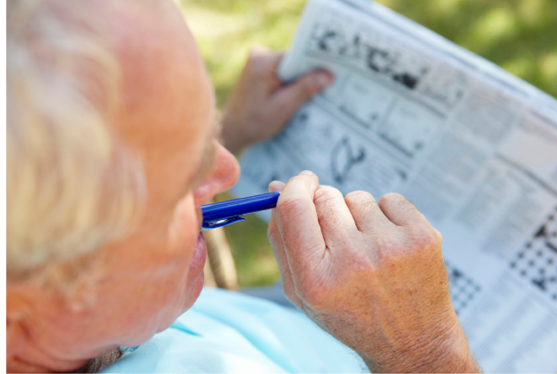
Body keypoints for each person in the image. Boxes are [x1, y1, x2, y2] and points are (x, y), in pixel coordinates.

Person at [6, 0, 481, 373]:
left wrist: (231, 128)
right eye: (178, 182)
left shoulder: (91, 317)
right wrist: (426, 351)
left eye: (206, 136)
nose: (227, 170)